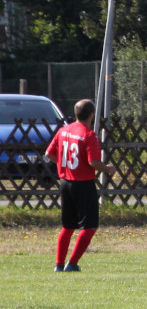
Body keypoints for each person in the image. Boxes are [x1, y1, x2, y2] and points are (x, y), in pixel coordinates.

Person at [45, 99, 115, 272]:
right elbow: (93, 162)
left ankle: (58, 264)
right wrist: (107, 169)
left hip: (65, 183)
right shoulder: (89, 135)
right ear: (92, 115)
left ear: (76, 113)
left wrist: (63, 163)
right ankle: (72, 263)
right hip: (83, 184)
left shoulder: (63, 130)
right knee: (89, 226)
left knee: (68, 226)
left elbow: (48, 153)